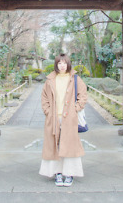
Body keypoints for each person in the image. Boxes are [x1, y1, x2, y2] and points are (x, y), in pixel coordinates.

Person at [39, 53, 88, 187]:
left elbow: (83, 95)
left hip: (69, 118)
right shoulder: (50, 80)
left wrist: (76, 108)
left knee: (69, 146)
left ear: (68, 64)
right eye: (59, 63)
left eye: (64, 63)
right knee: (54, 146)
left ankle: (69, 173)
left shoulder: (75, 79)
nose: (62, 65)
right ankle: (57, 172)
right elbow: (44, 98)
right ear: (56, 64)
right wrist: (48, 112)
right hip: (53, 118)